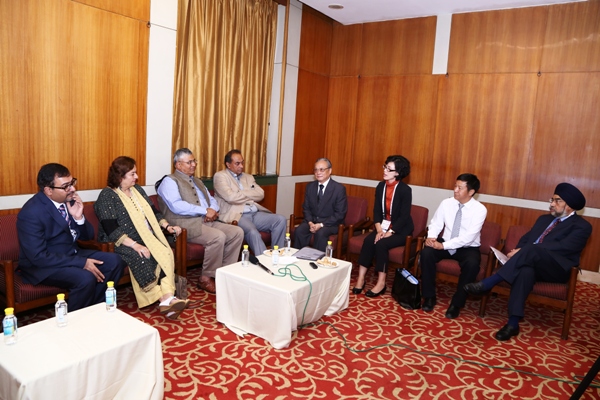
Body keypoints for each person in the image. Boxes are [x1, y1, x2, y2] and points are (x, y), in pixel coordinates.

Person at [465, 183, 592, 341]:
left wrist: (524, 251)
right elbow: (526, 239)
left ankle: (488, 283)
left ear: (570, 205)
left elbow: (564, 247)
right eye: (552, 200)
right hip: (531, 263)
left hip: (556, 269)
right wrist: (520, 250)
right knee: (525, 271)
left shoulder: (582, 226)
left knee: (532, 249)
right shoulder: (544, 219)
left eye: (557, 200)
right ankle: (513, 323)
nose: (552, 204)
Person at [16, 163, 126, 312]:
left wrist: (79, 218)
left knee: (115, 261)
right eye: (66, 186)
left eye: (72, 183)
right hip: (43, 265)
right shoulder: (31, 213)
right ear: (48, 190)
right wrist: (81, 263)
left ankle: (93, 309)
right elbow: (38, 257)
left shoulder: (69, 201)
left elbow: (88, 237)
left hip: (71, 254)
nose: (72, 189)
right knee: (85, 278)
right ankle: (75, 320)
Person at [94, 156, 188, 320]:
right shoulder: (107, 195)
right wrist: (135, 245)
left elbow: (154, 212)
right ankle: (165, 300)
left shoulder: (137, 190)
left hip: (145, 236)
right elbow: (111, 229)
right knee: (143, 256)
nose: (136, 177)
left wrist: (167, 226)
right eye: (132, 174)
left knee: (164, 251)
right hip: (119, 242)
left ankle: (168, 297)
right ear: (120, 176)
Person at [157, 148, 244, 294]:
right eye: (189, 162)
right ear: (178, 165)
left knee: (237, 232)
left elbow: (211, 200)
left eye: (194, 161)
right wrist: (205, 211)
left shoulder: (197, 181)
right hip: (184, 224)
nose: (193, 164)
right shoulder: (169, 181)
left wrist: (212, 210)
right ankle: (206, 278)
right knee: (218, 237)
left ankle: (224, 273)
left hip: (206, 220)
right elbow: (176, 206)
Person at [420, 173, 487, 319]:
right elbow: (436, 223)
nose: (455, 190)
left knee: (472, 265)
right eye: (455, 186)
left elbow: (469, 237)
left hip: (467, 247)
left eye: (460, 188)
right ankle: (429, 296)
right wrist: (431, 237)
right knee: (426, 254)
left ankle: (457, 303)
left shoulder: (480, 209)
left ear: (471, 192)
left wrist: (443, 246)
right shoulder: (446, 203)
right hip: (445, 241)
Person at [352, 155, 414, 298]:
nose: (385, 170)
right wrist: (379, 229)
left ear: (397, 173)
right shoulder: (381, 186)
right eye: (385, 167)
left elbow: (404, 216)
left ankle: (381, 282)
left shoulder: (405, 190)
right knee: (368, 241)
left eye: (389, 169)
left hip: (401, 229)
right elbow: (376, 211)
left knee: (381, 244)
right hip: (383, 226)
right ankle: (361, 278)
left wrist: (391, 231)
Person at [213, 149, 287, 254]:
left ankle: (277, 255)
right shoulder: (220, 176)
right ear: (228, 165)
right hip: (237, 215)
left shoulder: (248, 177)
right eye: (237, 163)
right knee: (253, 232)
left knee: (280, 220)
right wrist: (250, 194)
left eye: (242, 162)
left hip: (254, 212)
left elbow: (261, 194)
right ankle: (263, 260)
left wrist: (239, 193)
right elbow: (230, 197)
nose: (241, 166)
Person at [293, 158, 348, 252]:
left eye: (322, 169)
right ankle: (299, 257)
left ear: (330, 171)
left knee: (321, 233)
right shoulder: (310, 187)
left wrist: (321, 224)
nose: (318, 172)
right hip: (313, 221)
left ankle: (319, 259)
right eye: (316, 170)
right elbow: (306, 208)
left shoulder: (339, 189)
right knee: (300, 230)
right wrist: (310, 223)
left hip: (330, 224)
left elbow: (340, 214)